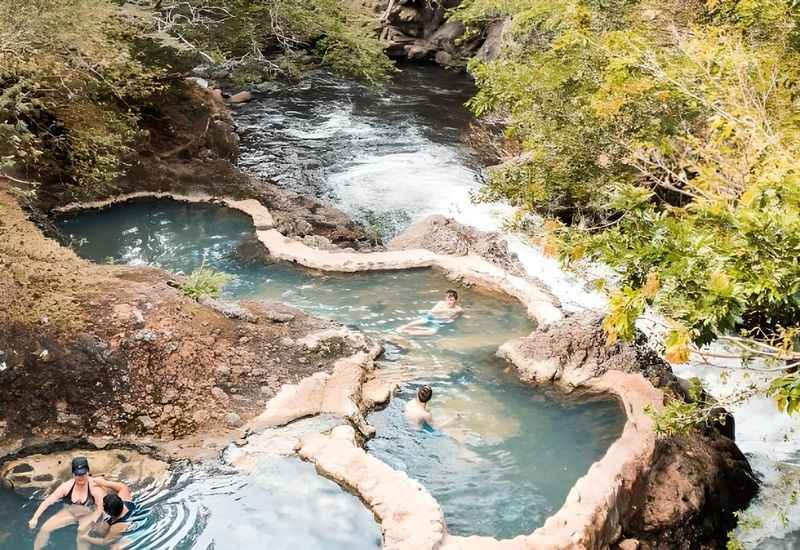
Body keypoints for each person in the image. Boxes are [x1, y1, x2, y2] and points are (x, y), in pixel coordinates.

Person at [28, 457, 106, 550]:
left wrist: (93, 520)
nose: (81, 477)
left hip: (89, 514)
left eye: (83, 474)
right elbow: (48, 501)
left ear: (88, 472)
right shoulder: (67, 486)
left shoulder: (95, 487)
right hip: (70, 512)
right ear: (73, 474)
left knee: (82, 534)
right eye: (78, 474)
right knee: (44, 529)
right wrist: (35, 518)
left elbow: (100, 509)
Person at [79, 477, 138, 549]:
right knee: (100, 528)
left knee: (113, 547)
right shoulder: (125, 500)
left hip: (131, 533)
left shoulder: (117, 526)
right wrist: (104, 483)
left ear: (108, 512)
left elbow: (104, 542)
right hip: (125, 516)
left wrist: (85, 538)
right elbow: (122, 487)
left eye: (103, 505)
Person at [398, 289, 463, 336]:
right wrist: (447, 310)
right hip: (431, 317)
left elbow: (459, 316)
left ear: (456, 300)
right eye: (447, 299)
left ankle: (408, 333)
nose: (449, 302)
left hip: (439, 321)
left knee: (432, 332)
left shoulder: (459, 309)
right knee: (417, 322)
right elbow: (432, 311)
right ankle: (402, 328)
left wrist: (452, 319)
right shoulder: (441, 303)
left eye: (451, 300)